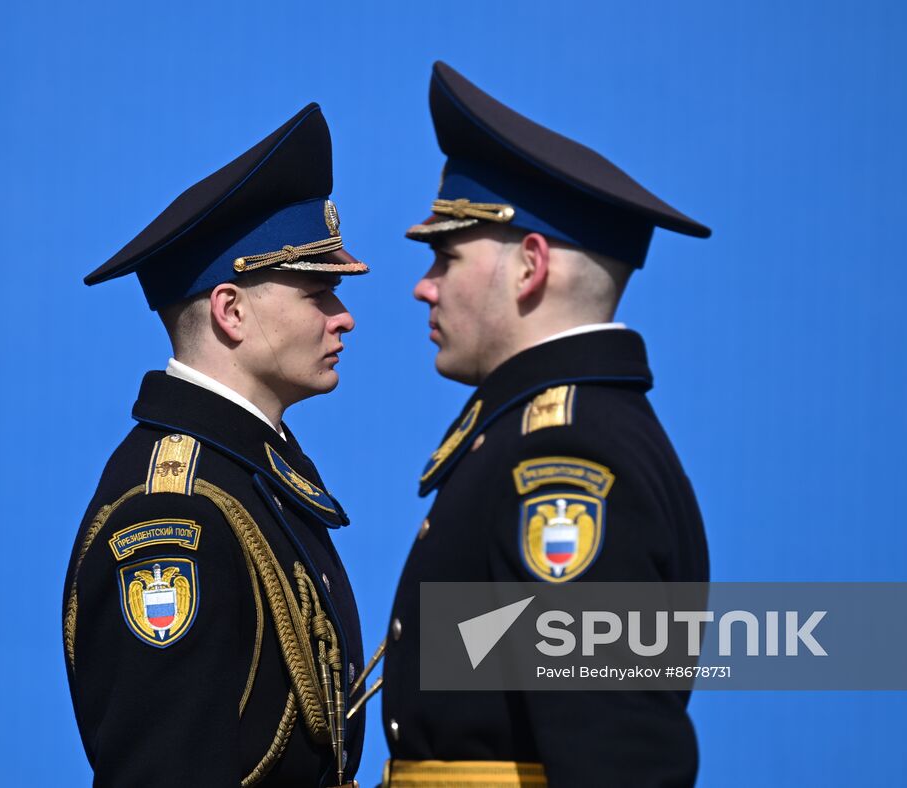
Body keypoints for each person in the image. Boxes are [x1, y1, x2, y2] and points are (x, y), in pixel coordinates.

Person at [374, 62, 712, 787]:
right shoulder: (548, 432)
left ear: (529, 266)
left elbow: (617, 753)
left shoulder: (566, 454)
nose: (423, 285)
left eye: (446, 255)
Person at [61, 102, 368, 788]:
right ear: (231, 311)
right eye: (319, 293)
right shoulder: (174, 515)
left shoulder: (246, 478)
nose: (344, 316)